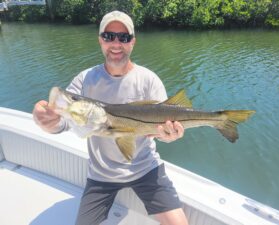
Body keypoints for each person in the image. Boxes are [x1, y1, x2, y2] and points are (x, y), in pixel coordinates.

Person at [32, 10, 189, 225]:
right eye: (108, 36)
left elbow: (163, 129)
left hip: (146, 168)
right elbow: (63, 122)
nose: (116, 44)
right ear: (100, 41)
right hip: (101, 175)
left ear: (132, 42)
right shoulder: (84, 80)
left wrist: (170, 136)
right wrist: (46, 121)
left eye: (123, 37)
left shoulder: (149, 80)